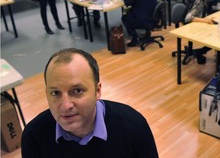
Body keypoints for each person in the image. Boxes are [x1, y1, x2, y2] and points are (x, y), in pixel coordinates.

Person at [21, 48, 159, 158]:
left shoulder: (134, 126)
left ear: (97, 91)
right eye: (55, 93)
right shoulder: (33, 136)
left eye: (77, 90)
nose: (65, 106)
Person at [184, 0, 216, 64]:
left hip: (196, 23)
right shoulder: (199, 1)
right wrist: (205, 20)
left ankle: (199, 52)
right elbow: (188, 18)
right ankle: (199, 52)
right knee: (214, 38)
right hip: (190, 26)